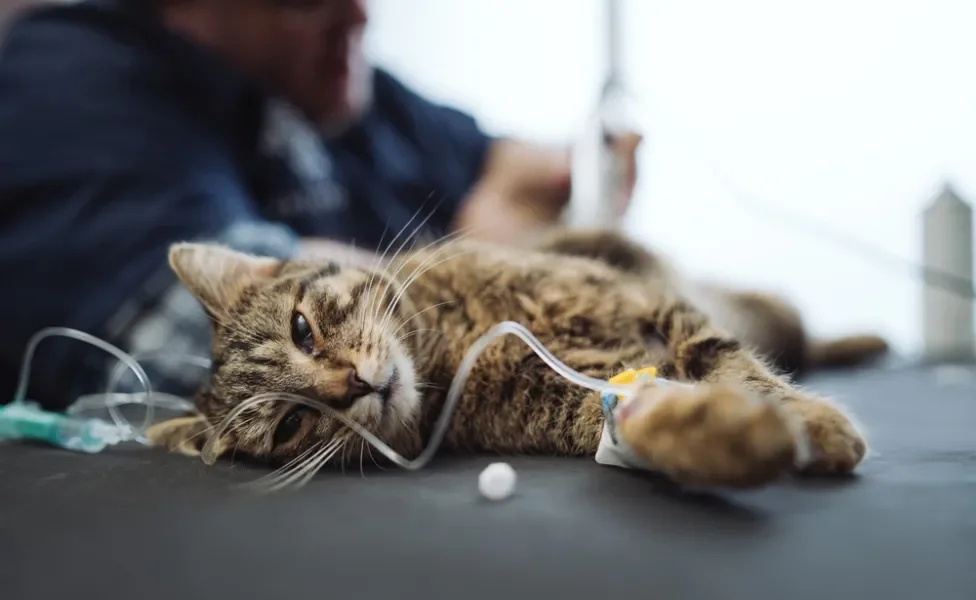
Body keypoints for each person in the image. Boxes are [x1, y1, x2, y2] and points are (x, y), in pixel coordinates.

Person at [0, 0, 638, 410]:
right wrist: (479, 262)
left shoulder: (346, 89)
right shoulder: (76, 76)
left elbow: (524, 172)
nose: (359, 14)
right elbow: (224, 350)